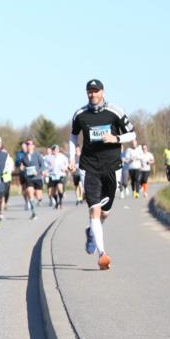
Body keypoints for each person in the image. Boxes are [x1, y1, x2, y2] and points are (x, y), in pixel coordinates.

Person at [69, 79, 136, 270]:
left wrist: (116, 138)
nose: (93, 95)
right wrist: (71, 159)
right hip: (89, 167)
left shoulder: (115, 111)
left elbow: (132, 134)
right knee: (94, 209)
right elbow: (73, 136)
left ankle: (91, 232)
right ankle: (102, 254)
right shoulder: (80, 114)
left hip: (111, 166)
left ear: (103, 92)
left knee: (105, 213)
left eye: (96, 91)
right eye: (89, 91)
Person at [15, 139, 45, 219]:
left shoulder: (38, 155)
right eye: (27, 144)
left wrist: (38, 171)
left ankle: (38, 199)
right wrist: (22, 168)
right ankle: (34, 213)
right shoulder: (23, 156)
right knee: (29, 192)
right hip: (29, 178)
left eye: (30, 144)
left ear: (33, 146)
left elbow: (43, 166)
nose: (29, 146)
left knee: (38, 196)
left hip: (37, 178)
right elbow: (22, 166)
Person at [46, 144, 70, 209]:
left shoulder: (63, 157)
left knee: (60, 188)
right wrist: (48, 169)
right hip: (52, 176)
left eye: (57, 150)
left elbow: (67, 164)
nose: (55, 151)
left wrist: (65, 168)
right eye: (54, 150)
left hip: (60, 175)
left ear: (58, 150)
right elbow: (45, 166)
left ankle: (60, 202)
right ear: (52, 151)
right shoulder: (48, 158)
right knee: (52, 192)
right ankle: (56, 203)